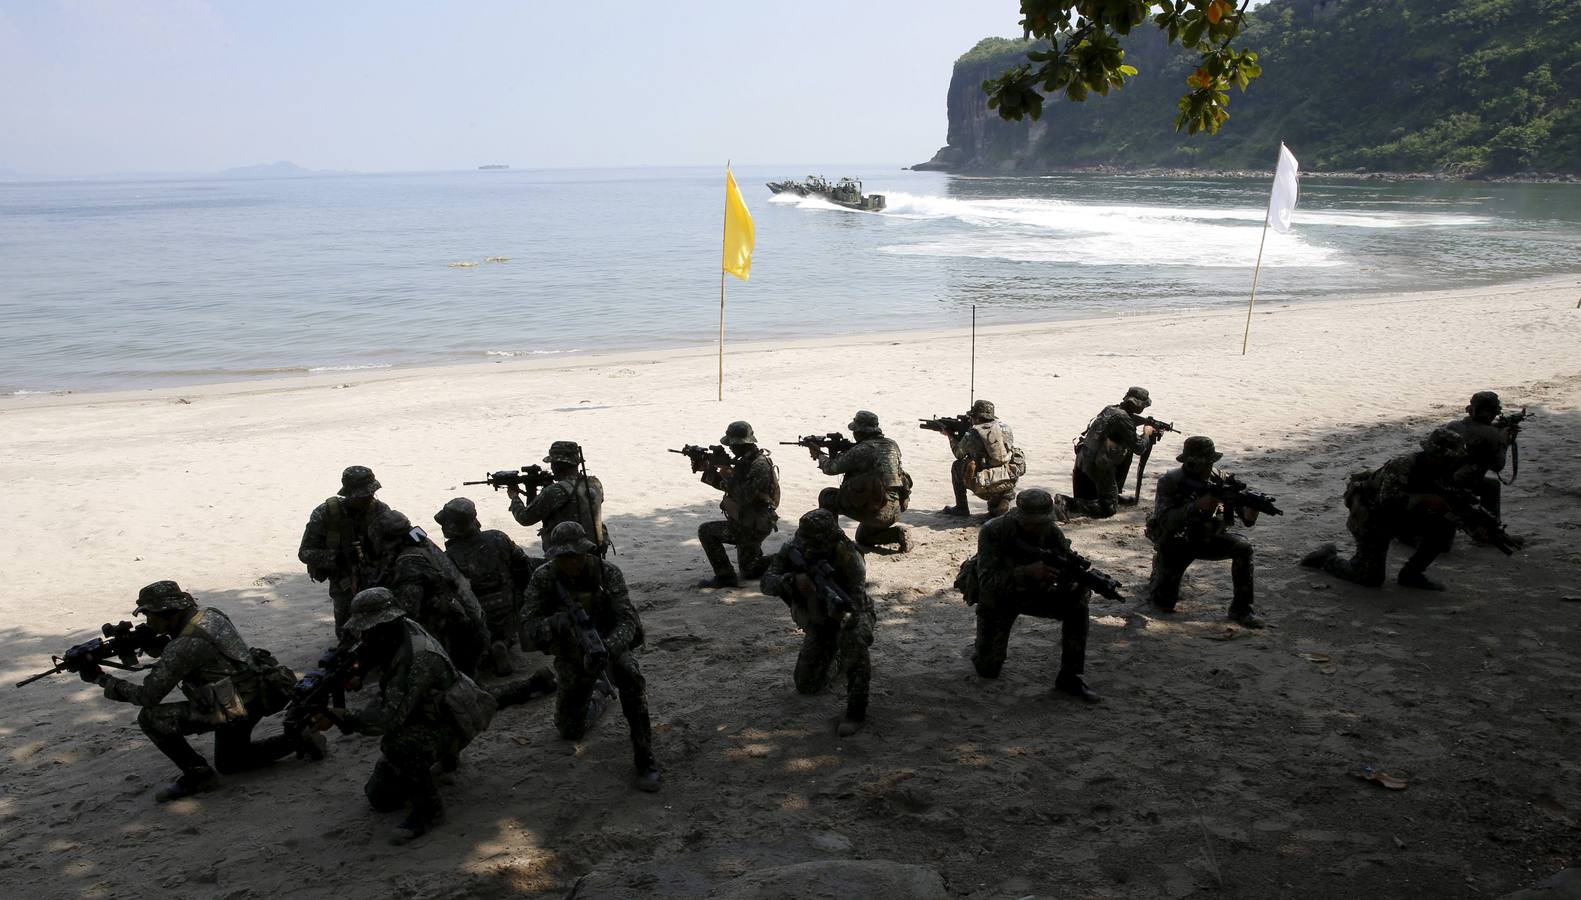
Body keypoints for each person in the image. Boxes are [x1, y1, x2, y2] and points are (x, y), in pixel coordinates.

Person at [80, 581, 322, 803]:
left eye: (149, 616)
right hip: (259, 693)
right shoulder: (211, 615)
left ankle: (198, 774)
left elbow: (148, 695)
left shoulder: (182, 646)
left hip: (233, 708)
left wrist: (103, 679)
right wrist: (157, 646)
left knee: (151, 718)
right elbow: (206, 651)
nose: (148, 623)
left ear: (167, 613)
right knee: (230, 762)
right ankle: (294, 741)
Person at [326, 587, 496, 844]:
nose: (365, 635)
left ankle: (429, 810)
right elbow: (372, 652)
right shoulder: (399, 630)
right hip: (437, 708)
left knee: (398, 746)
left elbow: (387, 718)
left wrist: (344, 718)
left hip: (453, 718)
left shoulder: (417, 658)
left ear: (386, 623)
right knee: (379, 797)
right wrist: (359, 671)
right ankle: (446, 759)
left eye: (369, 629)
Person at [522, 522, 661, 792]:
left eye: (576, 555)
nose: (571, 562)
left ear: (586, 551)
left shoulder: (607, 573)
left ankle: (645, 756)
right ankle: (599, 694)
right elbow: (528, 625)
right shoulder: (543, 578)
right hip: (572, 655)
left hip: (609, 645)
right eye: (564, 557)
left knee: (631, 679)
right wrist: (555, 623)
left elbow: (627, 621)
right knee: (569, 730)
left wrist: (608, 648)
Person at [1302, 427, 1483, 591]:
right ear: (1436, 454)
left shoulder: (1443, 470)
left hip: (1401, 516)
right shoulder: (1403, 465)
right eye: (1449, 458)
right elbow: (1388, 501)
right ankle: (1327, 559)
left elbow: (1450, 498)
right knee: (1369, 578)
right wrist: (1427, 500)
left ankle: (1411, 574)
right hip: (1371, 515)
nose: (1453, 463)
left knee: (1443, 530)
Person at [962, 489, 1098, 702]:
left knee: (1078, 601)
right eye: (1034, 522)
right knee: (987, 670)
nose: (1039, 527)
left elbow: (1066, 561)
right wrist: (1026, 572)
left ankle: (1070, 675)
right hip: (999, 598)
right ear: (1019, 516)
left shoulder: (1050, 531)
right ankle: (983, 649)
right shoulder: (993, 531)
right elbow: (987, 582)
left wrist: (1068, 581)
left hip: (1035, 593)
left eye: (1044, 522)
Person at [760, 510, 874, 736]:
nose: (808, 548)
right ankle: (837, 656)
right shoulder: (794, 548)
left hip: (850, 611)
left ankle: (856, 711)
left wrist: (837, 612)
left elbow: (856, 604)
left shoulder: (849, 557)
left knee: (855, 640)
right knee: (807, 684)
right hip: (818, 619)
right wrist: (792, 581)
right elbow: (766, 583)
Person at [1142, 437, 1265, 627]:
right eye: (1203, 462)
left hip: (1207, 538)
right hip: (1177, 541)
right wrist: (1196, 506)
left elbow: (1246, 520)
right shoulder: (1171, 481)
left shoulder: (1220, 479)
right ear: (1189, 462)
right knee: (1163, 604)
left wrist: (1253, 508)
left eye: (1210, 462)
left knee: (1244, 548)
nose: (1208, 467)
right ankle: (1159, 571)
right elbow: (1165, 521)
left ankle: (1242, 609)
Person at [371, 510, 490, 678]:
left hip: (456, 639)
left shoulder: (409, 562)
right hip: (471, 626)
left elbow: (407, 613)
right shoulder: (423, 544)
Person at [435, 497, 539, 676]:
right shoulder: (497, 537)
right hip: (509, 610)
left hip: (479, 617)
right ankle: (504, 641)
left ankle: (490, 648)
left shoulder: (449, 557)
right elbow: (523, 565)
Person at [297, 465, 392, 636]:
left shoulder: (380, 510)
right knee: (346, 632)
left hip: (377, 576)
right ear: (348, 494)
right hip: (344, 580)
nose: (368, 498)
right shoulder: (326, 513)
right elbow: (305, 553)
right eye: (362, 495)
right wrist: (338, 557)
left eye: (371, 493)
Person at [697, 421, 781, 588]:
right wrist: (708, 471)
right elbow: (730, 487)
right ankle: (784, 559)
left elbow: (744, 496)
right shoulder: (745, 461)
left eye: (733, 445)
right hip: (749, 520)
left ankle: (725, 577)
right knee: (750, 570)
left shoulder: (758, 465)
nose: (731, 449)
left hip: (754, 524)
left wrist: (728, 474)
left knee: (706, 531)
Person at [814, 410, 912, 553]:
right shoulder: (892, 445)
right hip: (894, 509)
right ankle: (897, 534)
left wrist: (819, 455)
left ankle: (832, 542)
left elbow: (831, 468)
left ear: (861, 431)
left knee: (827, 495)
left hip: (875, 510)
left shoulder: (862, 450)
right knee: (863, 537)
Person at [1063, 387, 1158, 520]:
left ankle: (1112, 494)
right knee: (1109, 509)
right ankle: (1068, 503)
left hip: (1085, 457)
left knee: (1124, 451)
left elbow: (1122, 424)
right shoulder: (1124, 419)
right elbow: (1139, 447)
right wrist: (1147, 433)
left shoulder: (1111, 409)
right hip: (1098, 464)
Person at [506, 440, 608, 555]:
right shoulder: (595, 484)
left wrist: (514, 497)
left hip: (565, 556)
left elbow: (525, 518)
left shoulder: (555, 491)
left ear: (557, 466)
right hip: (594, 552)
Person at [1444, 391, 1522, 538]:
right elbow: (1498, 466)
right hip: (1461, 482)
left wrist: (1495, 431)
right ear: (1492, 412)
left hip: (1441, 478)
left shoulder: (1454, 425)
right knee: (1492, 487)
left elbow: (1474, 431)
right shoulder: (1492, 435)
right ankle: (1491, 532)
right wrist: (1504, 442)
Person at [939, 399, 1025, 519]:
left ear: (978, 418)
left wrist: (950, 437)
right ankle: (1004, 498)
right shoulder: (1006, 429)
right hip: (1008, 479)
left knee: (957, 466)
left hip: (985, 484)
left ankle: (961, 508)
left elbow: (958, 453)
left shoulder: (973, 433)